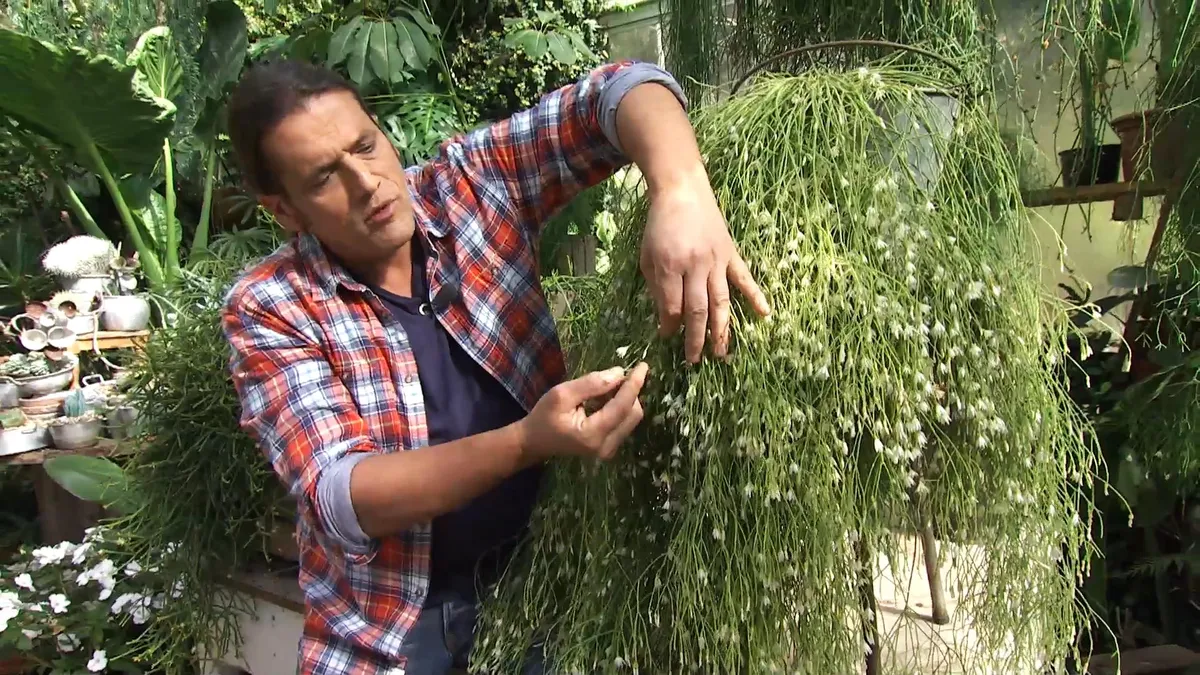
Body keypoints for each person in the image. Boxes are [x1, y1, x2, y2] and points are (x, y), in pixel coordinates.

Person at [220, 56, 770, 675]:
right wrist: (527, 442)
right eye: (325, 177)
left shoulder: (467, 189)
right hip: (392, 627)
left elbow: (619, 91)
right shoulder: (270, 305)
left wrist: (681, 191)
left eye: (366, 147)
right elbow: (345, 497)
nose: (367, 183)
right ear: (286, 211)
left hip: (542, 587)